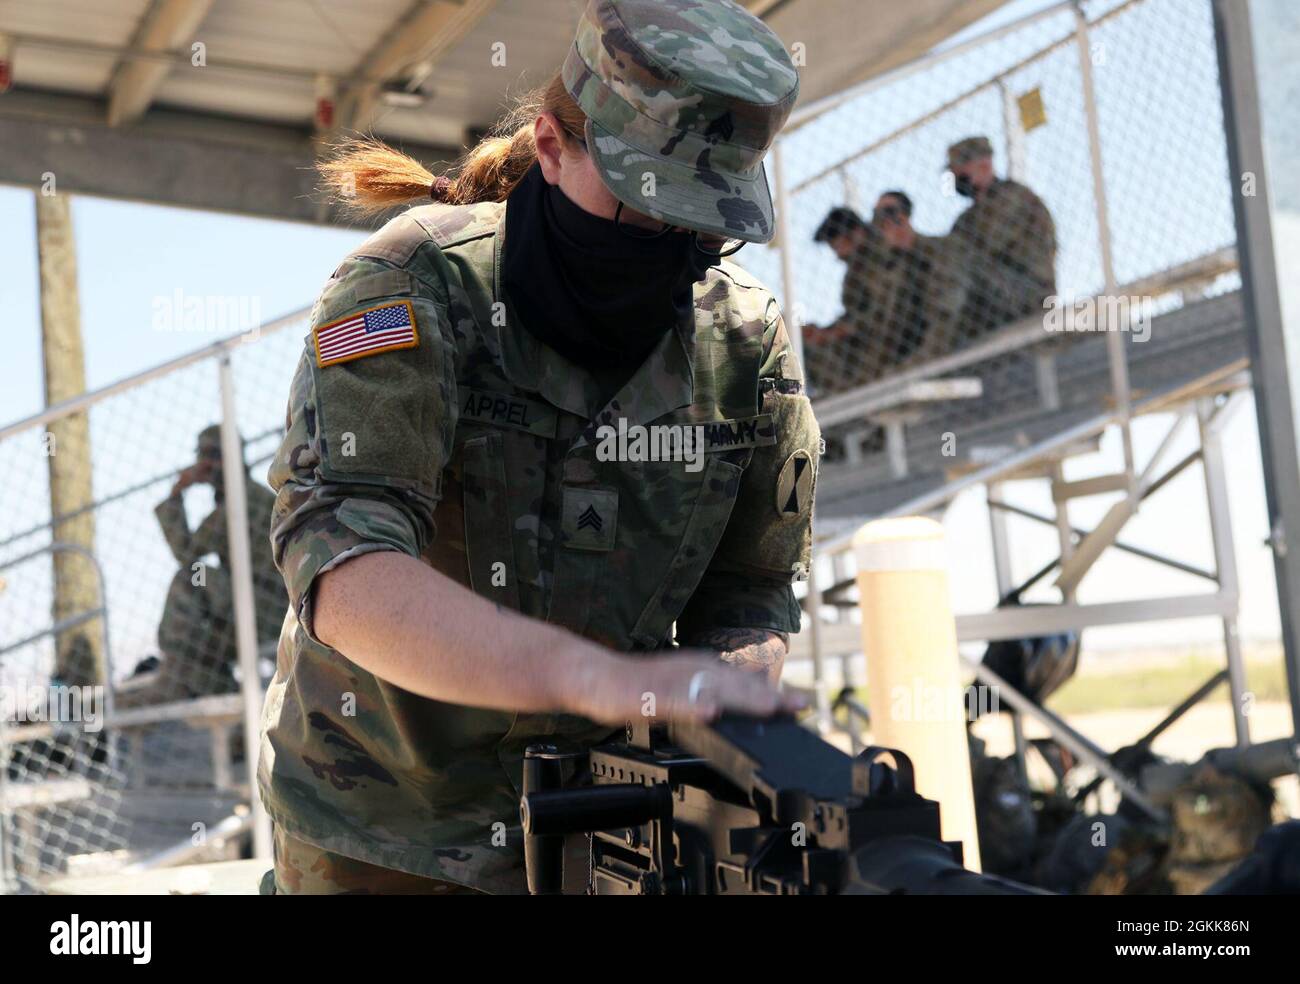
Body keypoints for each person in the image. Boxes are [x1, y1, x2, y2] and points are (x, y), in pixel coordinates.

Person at [260, 0, 818, 895]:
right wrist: (598, 682)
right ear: (552, 145)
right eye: (643, 202)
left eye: (698, 220)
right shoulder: (413, 286)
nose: (670, 242)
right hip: (387, 832)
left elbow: (750, 589)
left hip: (605, 829)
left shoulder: (743, 342)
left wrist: (728, 709)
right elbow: (344, 566)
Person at [119, 425, 282, 707]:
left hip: (267, 605)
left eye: (212, 456)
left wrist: (176, 494)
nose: (204, 465)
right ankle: (205, 685)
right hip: (257, 604)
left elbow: (186, 553)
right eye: (204, 457)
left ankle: (179, 671)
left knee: (191, 576)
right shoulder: (238, 497)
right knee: (202, 644)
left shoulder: (241, 500)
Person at [804, 193, 964, 395]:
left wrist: (837, 331)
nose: (838, 255)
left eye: (837, 246)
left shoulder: (886, 257)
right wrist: (827, 331)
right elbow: (856, 313)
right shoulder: (856, 272)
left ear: (855, 234)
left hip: (898, 338)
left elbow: (880, 312)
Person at [945, 136, 1057, 342]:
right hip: (992, 295)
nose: (955, 176)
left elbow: (987, 251)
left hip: (1028, 291)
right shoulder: (967, 219)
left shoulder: (1015, 198)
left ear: (984, 164)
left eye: (960, 169)